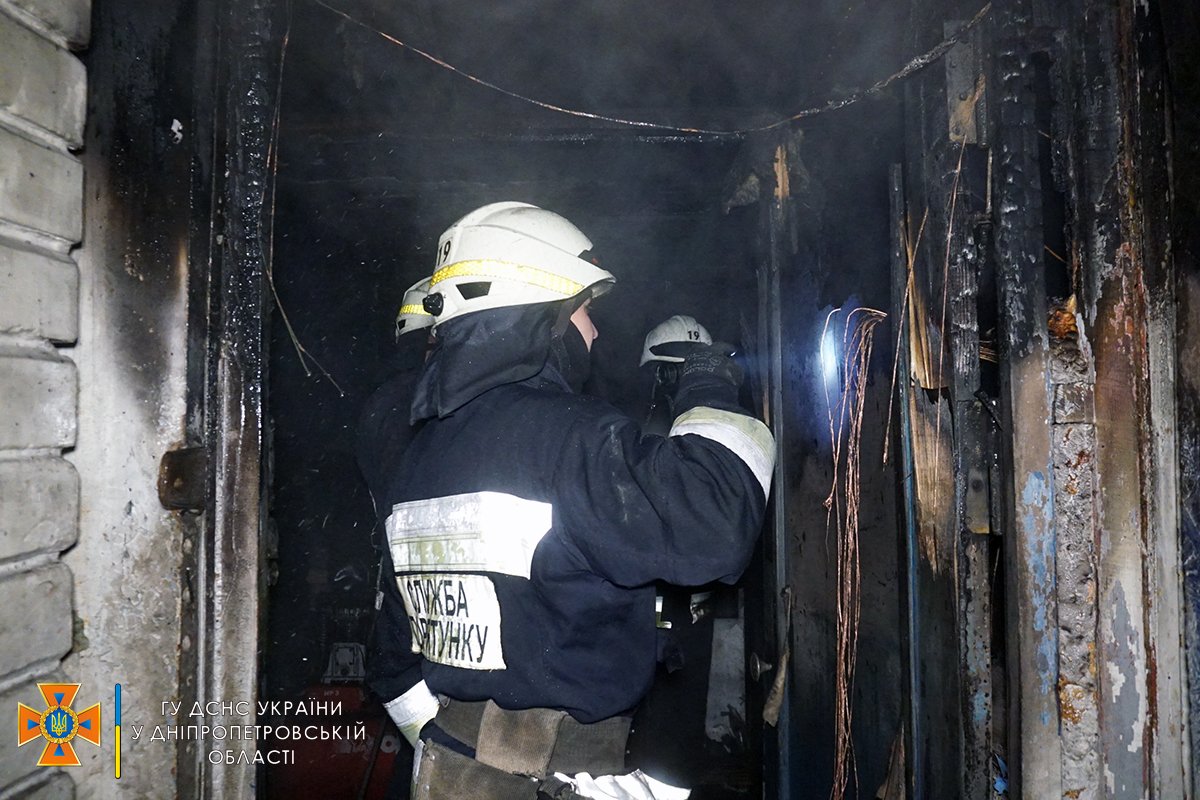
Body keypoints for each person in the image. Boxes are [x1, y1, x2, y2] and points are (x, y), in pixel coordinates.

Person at [369, 201, 775, 800]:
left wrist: (448, 745)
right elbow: (714, 518)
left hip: (448, 775)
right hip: (560, 774)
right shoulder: (570, 437)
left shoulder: (422, 455)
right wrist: (709, 384)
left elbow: (396, 654)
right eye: (583, 307)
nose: (594, 328)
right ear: (542, 314)